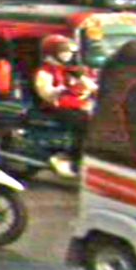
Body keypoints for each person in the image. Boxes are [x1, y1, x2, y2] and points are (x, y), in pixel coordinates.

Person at [34, 34, 97, 176]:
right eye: (63, 51)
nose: (67, 55)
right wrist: (64, 90)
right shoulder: (45, 71)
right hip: (56, 106)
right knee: (84, 123)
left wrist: (87, 83)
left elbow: (91, 86)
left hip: (76, 103)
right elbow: (46, 93)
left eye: (69, 51)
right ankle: (72, 157)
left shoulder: (72, 70)